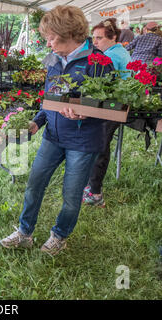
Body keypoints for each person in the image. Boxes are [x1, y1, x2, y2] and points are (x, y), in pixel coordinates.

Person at [0, 5, 114, 255]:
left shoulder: (99, 62)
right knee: (34, 184)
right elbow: (50, 99)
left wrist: (89, 111)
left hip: (83, 141)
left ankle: (59, 235)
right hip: (53, 136)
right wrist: (37, 122)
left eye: (51, 37)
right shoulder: (54, 60)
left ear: (69, 32)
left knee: (71, 197)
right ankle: (24, 232)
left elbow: (111, 105)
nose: (48, 43)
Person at [82, 18, 132, 207]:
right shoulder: (118, 50)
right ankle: (92, 187)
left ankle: (95, 193)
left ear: (112, 38)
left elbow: (105, 87)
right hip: (116, 104)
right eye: (93, 38)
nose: (95, 42)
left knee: (99, 146)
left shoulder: (111, 57)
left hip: (113, 107)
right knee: (100, 146)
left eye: (99, 38)